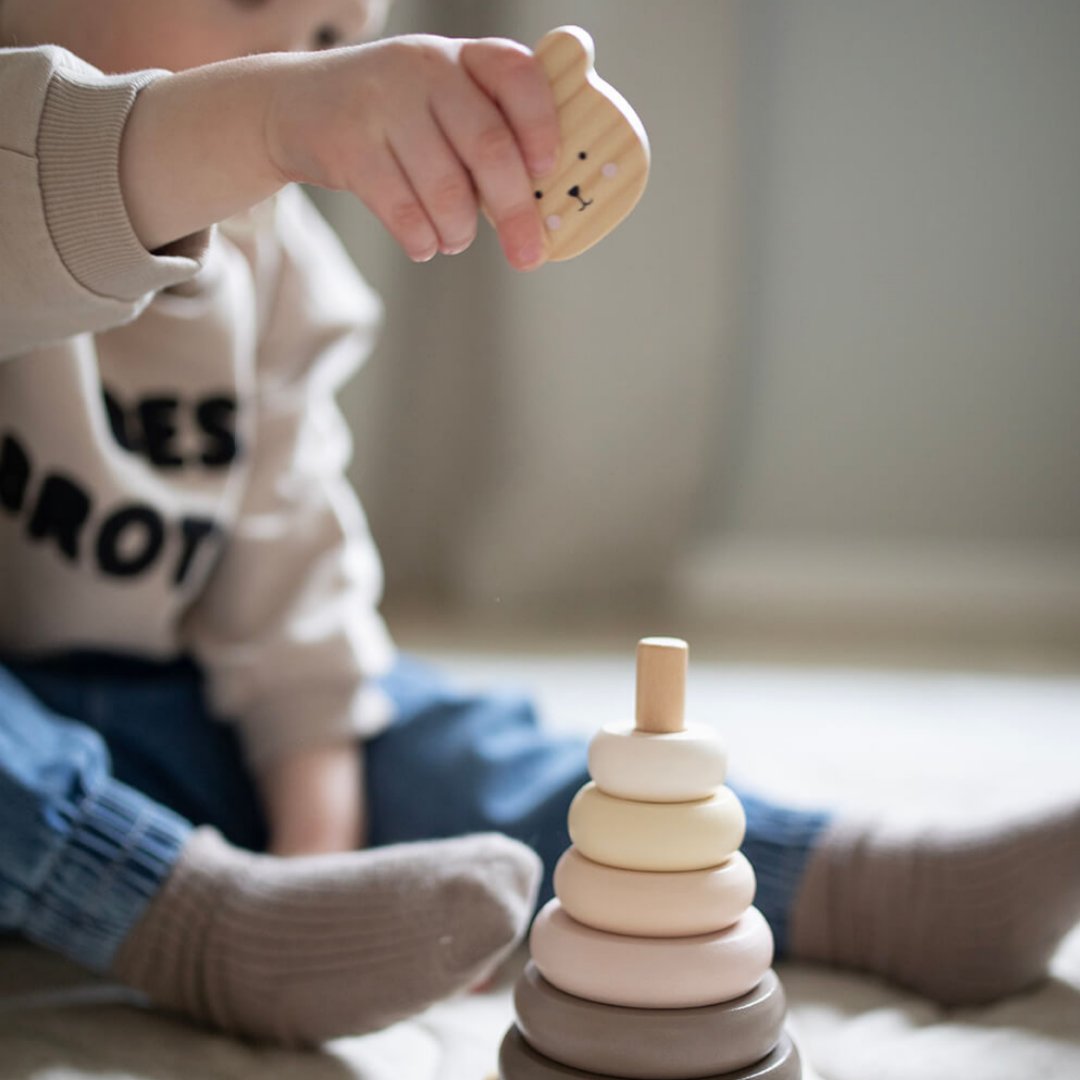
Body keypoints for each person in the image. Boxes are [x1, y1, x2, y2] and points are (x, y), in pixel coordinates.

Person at [2, 0, 1078, 1051]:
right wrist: (272, 116)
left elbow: (294, 611)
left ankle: (865, 886)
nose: (301, 60)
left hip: (167, 710)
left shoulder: (287, 283)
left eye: (337, 38)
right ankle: (192, 926)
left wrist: (311, 864)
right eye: (247, 5)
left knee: (440, 739)